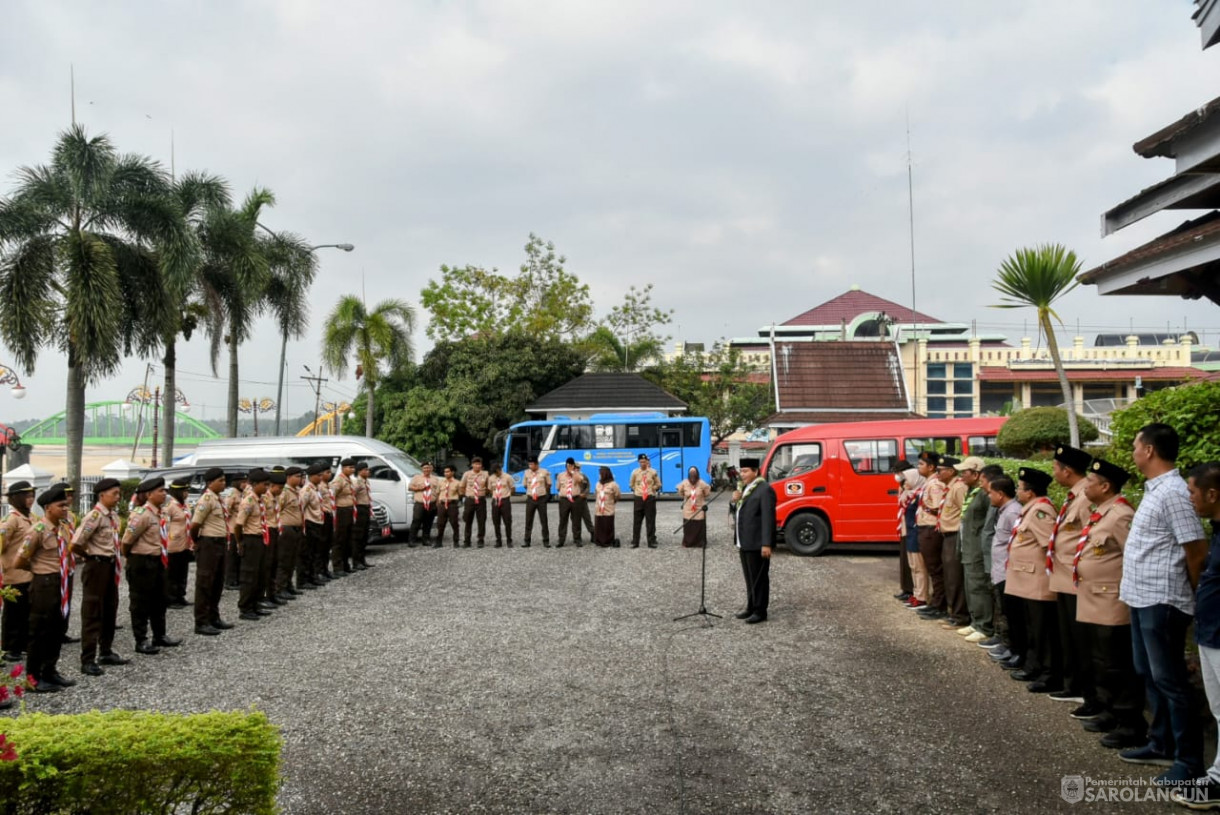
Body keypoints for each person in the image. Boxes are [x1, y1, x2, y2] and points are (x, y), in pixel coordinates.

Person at [1118, 423, 1207, 786]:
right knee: (1149, 673)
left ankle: (1189, 762)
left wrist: (1194, 597)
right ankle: (1161, 743)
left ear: (1150, 450)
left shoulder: (1172, 491)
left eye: (1136, 445)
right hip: (1141, 596)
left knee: (1171, 681)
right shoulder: (1157, 490)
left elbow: (1196, 548)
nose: (1134, 452)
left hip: (1163, 599)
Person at [1074, 458, 1147, 751]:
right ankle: (1109, 710)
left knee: (1117, 663)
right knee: (1101, 661)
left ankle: (1130, 723)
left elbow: (1134, 556)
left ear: (1105, 486)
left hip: (1112, 600)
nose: (1086, 487)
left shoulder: (1120, 515)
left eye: (1090, 483)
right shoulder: (1100, 513)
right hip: (1093, 599)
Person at [1177, 461, 1220, 808]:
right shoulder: (1216, 529)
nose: (1188, 498)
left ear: (1212, 493)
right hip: (1209, 632)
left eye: (1191, 491)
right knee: (1218, 709)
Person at [1045, 445, 1097, 709]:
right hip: (1064, 576)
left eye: (1055, 467)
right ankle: (1072, 684)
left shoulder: (1087, 497)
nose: (1053, 472)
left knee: (1081, 639)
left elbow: (1090, 537)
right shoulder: (1074, 495)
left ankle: (1086, 691)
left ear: (1067, 470)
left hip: (1077, 578)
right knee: (1068, 636)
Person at [1005, 467, 1063, 694]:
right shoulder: (1030, 510)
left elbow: (1049, 546)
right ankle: (1034, 666)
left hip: (1038, 583)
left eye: (1020, 488)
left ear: (1030, 492)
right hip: (1027, 581)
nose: (1017, 492)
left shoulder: (1041, 512)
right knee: (1033, 629)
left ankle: (1048, 673)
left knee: (1043, 631)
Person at [15, 484, 75, 692]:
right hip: (44, 584)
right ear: (48, 507)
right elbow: (20, 560)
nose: (65, 509)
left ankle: (50, 670)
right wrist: (39, 570)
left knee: (56, 629)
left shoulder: (62, 528)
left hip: (60, 582)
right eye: (61, 506)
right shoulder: (37, 530)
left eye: (66, 506)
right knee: (40, 631)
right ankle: (33, 677)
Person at [69, 477, 129, 675]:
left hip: (111, 566)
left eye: (119, 494)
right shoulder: (94, 517)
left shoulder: (112, 517)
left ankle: (106, 651)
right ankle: (87, 659)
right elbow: (75, 543)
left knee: (110, 609)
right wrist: (90, 557)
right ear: (102, 495)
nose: (118, 497)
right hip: (97, 566)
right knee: (92, 612)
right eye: (114, 494)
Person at [121, 477, 181, 655]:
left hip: (158, 561)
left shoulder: (160, 513)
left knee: (159, 600)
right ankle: (141, 640)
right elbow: (126, 541)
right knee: (140, 603)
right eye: (160, 491)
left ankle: (159, 635)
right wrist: (132, 559)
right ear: (149, 494)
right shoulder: (142, 515)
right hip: (142, 562)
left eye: (164, 490)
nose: (164, 493)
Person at [191, 467, 235, 635]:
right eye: (220, 481)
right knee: (205, 583)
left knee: (217, 583)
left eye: (224, 480)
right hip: (209, 543)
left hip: (220, 543)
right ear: (210, 483)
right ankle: (201, 622)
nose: (224, 484)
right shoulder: (206, 499)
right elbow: (195, 525)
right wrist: (198, 542)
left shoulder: (218, 499)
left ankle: (214, 618)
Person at [987, 476, 1025, 670]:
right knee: (1006, 612)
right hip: (1000, 570)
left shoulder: (1013, 513)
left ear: (1000, 494)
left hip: (1007, 571)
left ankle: (1016, 650)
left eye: (991, 492)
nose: (989, 496)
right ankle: (1011, 648)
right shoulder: (1005, 511)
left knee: (1013, 614)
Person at [955, 457, 993, 644]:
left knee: (978, 586)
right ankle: (975, 620)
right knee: (970, 586)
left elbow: (989, 524)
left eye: (965, 472)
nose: (961, 475)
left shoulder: (985, 495)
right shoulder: (972, 492)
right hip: (967, 547)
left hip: (977, 549)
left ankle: (984, 625)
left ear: (976, 474)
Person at [733, 457, 774, 624]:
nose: (742, 474)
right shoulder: (746, 488)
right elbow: (739, 512)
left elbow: (768, 518)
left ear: (755, 471)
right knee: (749, 577)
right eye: (741, 471)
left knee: (759, 578)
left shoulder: (764, 489)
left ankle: (760, 610)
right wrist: (734, 501)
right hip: (744, 540)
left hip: (757, 541)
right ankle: (751, 606)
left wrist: (767, 543)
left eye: (746, 471)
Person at [1, 480, 36, 663]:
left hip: (29, 573)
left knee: (26, 611)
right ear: (16, 498)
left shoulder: (31, 518)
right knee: (13, 613)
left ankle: (22, 644)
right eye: (26, 496)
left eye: (31, 496)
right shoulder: (11, 520)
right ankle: (10, 647)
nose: (30, 500)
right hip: (14, 574)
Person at [934, 457, 970, 631]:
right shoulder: (950, 487)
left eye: (941, 469)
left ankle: (960, 616)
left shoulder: (959, 488)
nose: (938, 473)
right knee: (949, 577)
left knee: (955, 578)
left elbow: (965, 513)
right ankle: (953, 613)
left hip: (955, 535)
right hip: (947, 536)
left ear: (951, 471)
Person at [233, 469, 273, 621]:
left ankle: (255, 604)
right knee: (249, 575)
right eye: (265, 485)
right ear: (255, 484)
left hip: (261, 538)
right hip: (251, 539)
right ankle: (245, 607)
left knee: (260, 574)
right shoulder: (248, 501)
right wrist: (240, 542)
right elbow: (238, 525)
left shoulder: (260, 500)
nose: (267, 488)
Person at [915, 452, 949, 622]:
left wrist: (927, 509)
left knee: (936, 569)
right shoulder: (928, 482)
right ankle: (937, 602)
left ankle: (939, 605)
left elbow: (937, 507)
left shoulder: (935, 484)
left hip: (930, 528)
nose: (918, 467)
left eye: (921, 464)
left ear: (931, 467)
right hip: (925, 527)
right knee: (932, 568)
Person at [896, 464, 927, 609]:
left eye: (907, 479)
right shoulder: (910, 494)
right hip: (909, 534)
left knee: (920, 568)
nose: (904, 482)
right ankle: (916, 594)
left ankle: (922, 597)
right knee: (914, 567)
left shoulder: (919, 495)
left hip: (915, 534)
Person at [276, 466, 306, 599]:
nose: (300, 479)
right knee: (284, 560)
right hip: (287, 529)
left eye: (300, 476)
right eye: (297, 476)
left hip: (296, 529)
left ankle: (288, 585)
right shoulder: (284, 492)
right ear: (288, 477)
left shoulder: (297, 491)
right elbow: (277, 510)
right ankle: (280, 588)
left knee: (292, 559)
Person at [164, 477, 193, 609]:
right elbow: (164, 525)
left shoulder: (185, 506)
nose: (186, 493)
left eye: (187, 490)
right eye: (184, 491)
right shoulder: (170, 507)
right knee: (172, 573)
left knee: (183, 571)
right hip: (173, 544)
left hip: (185, 543)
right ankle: (171, 598)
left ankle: (180, 595)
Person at [301, 462, 328, 587]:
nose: (321, 477)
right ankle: (305, 579)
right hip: (310, 522)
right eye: (319, 475)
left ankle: (313, 576)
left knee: (316, 551)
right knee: (308, 552)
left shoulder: (315, 489)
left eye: (322, 475)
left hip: (317, 522)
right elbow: (301, 507)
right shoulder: (307, 490)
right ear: (311, 476)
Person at [264, 469, 288, 605]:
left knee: (274, 564)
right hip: (267, 531)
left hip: (275, 531)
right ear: (271, 485)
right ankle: (265, 596)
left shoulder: (276, 498)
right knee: (267, 566)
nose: (280, 490)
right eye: (279, 488)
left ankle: (272, 594)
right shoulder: (264, 498)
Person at [629, 454, 661, 549]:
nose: (643, 463)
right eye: (641, 462)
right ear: (638, 462)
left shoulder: (653, 472)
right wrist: (638, 491)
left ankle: (651, 541)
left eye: (644, 461)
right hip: (639, 498)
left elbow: (658, 484)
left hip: (650, 498)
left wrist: (652, 489)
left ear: (647, 462)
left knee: (650, 521)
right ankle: (635, 542)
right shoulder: (635, 472)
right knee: (637, 521)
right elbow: (631, 484)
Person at [555, 458, 588, 548]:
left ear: (574, 466)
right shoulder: (560, 475)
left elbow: (580, 481)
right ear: (565, 466)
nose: (570, 467)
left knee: (576, 520)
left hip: (576, 499)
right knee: (563, 520)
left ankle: (577, 539)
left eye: (571, 465)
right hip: (564, 500)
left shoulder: (578, 475)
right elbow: (558, 488)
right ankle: (561, 540)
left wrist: (573, 472)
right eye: (568, 465)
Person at [331, 458, 356, 575]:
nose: (352, 469)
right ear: (343, 468)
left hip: (349, 510)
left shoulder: (349, 480)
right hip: (341, 511)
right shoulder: (339, 481)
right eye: (350, 467)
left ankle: (346, 564)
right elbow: (332, 497)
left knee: (347, 539)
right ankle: (338, 566)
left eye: (353, 467)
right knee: (340, 539)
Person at [223, 472, 247, 590]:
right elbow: (226, 511)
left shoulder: (243, 494)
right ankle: (230, 581)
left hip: (241, 528)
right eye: (242, 482)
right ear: (236, 482)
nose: (244, 484)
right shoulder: (232, 494)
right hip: (232, 528)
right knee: (232, 556)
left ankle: (237, 578)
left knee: (239, 555)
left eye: (245, 482)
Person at [459, 457, 490, 548]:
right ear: (472, 465)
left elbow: (488, 487)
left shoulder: (485, 474)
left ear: (481, 465)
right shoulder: (467, 474)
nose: (477, 466)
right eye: (475, 464)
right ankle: (467, 540)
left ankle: (480, 539)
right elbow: (462, 486)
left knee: (481, 520)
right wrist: (467, 494)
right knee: (468, 520)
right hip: (470, 499)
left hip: (481, 499)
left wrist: (483, 494)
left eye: (479, 464)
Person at [677, 467, 712, 548]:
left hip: (699, 508)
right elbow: (680, 492)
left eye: (694, 472)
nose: (692, 474)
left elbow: (707, 493)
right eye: (691, 472)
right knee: (688, 527)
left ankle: (700, 543)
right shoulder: (684, 482)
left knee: (699, 526)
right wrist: (686, 496)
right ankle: (688, 542)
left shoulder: (702, 483)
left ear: (697, 473)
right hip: (688, 509)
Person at [408, 462, 441, 547]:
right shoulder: (417, 477)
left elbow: (438, 492)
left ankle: (425, 540)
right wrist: (419, 488)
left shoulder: (435, 479)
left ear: (431, 469)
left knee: (428, 522)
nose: (427, 469)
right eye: (425, 468)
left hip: (431, 503)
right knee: (416, 521)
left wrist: (437, 502)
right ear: (422, 469)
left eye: (428, 468)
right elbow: (410, 487)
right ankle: (411, 540)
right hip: (420, 503)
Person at [522, 456, 551, 548]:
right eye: (529, 464)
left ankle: (546, 541)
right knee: (528, 520)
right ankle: (527, 541)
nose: (530, 466)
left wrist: (542, 492)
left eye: (532, 464)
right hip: (531, 499)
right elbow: (525, 485)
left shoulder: (544, 472)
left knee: (544, 520)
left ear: (537, 464)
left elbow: (549, 484)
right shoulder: (526, 473)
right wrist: (532, 491)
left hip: (541, 498)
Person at [593, 466, 622, 548]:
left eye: (600, 474)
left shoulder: (613, 484)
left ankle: (608, 541)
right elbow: (596, 494)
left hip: (608, 508)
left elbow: (618, 495)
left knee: (607, 525)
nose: (599, 476)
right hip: (599, 509)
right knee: (599, 524)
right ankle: (599, 541)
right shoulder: (598, 484)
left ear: (605, 474)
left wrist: (612, 502)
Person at [488, 462, 515, 547]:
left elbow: (512, 488)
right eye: (494, 473)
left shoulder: (507, 477)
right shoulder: (491, 478)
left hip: (505, 500)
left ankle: (509, 540)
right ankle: (498, 540)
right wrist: (495, 495)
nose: (496, 474)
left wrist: (507, 495)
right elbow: (490, 489)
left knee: (507, 521)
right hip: (495, 500)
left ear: (500, 470)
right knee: (496, 521)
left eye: (496, 472)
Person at [352, 461, 373, 568]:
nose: (368, 471)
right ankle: (356, 562)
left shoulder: (366, 481)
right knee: (358, 536)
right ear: (360, 471)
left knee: (365, 535)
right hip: (360, 508)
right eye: (366, 470)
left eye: (368, 469)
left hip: (366, 508)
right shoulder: (357, 482)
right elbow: (352, 495)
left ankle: (362, 559)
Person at [319, 464, 337, 579]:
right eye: (327, 472)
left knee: (327, 545)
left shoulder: (328, 485)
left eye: (330, 472)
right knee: (322, 545)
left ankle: (325, 569)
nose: (330, 474)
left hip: (330, 515)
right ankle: (320, 570)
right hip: (323, 516)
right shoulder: (319, 487)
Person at [437, 465, 462, 547]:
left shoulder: (457, 483)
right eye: (445, 472)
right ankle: (439, 542)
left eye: (448, 471)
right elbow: (437, 493)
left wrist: (456, 500)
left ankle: (456, 542)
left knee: (454, 523)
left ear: (452, 472)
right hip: (442, 505)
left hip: (452, 505)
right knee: (440, 524)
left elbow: (461, 494)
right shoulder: (441, 482)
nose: (446, 473)